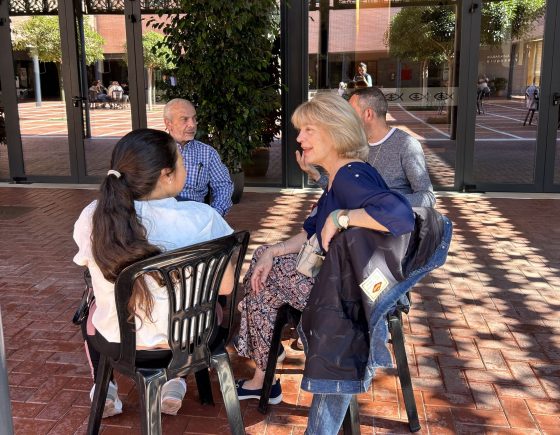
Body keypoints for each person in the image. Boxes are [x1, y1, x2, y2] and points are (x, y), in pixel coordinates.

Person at [234, 93, 414, 406]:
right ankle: (263, 361)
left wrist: (340, 216)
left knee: (261, 291)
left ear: (335, 131)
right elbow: (310, 234)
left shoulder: (351, 176)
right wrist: (273, 251)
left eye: (308, 130)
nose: (299, 138)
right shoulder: (338, 176)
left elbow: (401, 214)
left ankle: (259, 355)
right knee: (265, 264)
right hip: (336, 281)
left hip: (349, 296)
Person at [73, 128, 235, 418]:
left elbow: (94, 273)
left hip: (122, 341)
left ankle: (104, 387)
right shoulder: (204, 218)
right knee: (204, 303)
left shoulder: (94, 216)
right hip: (190, 341)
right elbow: (225, 287)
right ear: (166, 174)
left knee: (90, 308)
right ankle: (175, 382)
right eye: (181, 162)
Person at [298, 87, 436, 208]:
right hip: (357, 225)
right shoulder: (354, 144)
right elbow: (343, 190)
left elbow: (428, 197)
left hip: (391, 230)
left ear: (368, 114)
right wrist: (315, 174)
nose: (346, 118)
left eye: (351, 112)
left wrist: (381, 201)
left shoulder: (406, 144)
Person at [163, 99, 233, 216]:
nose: (192, 124)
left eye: (194, 118)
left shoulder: (207, 153)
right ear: (168, 123)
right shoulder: (154, 149)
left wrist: (214, 215)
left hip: (195, 217)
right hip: (161, 217)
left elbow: (223, 186)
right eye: (184, 119)